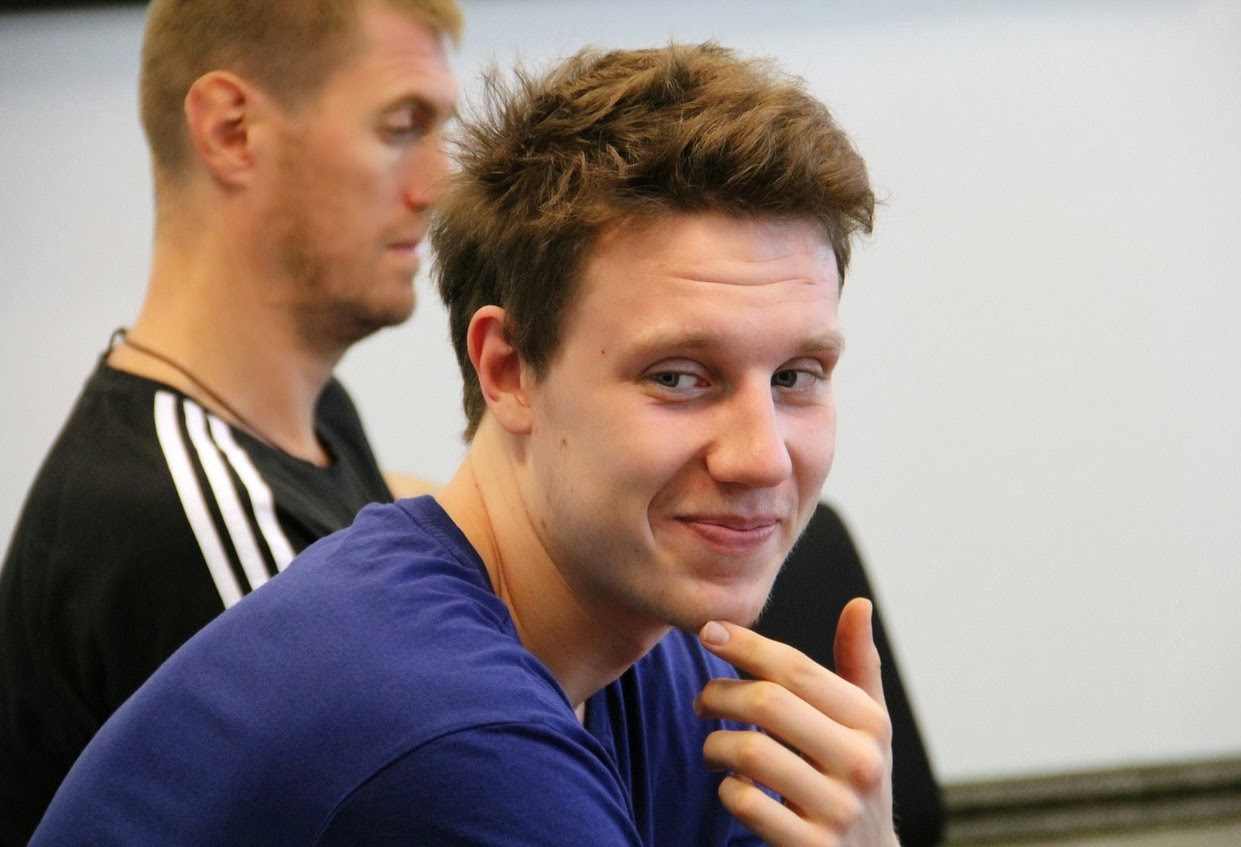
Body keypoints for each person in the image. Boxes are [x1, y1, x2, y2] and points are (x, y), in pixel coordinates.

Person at [32, 41, 895, 846]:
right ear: (509, 370)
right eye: (677, 376)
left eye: (796, 376)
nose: (761, 457)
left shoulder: (647, 649)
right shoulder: (455, 733)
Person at [0, 0, 463, 842]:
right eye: (402, 128)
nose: (439, 186)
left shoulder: (306, 418)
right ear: (231, 131)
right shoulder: (174, 518)